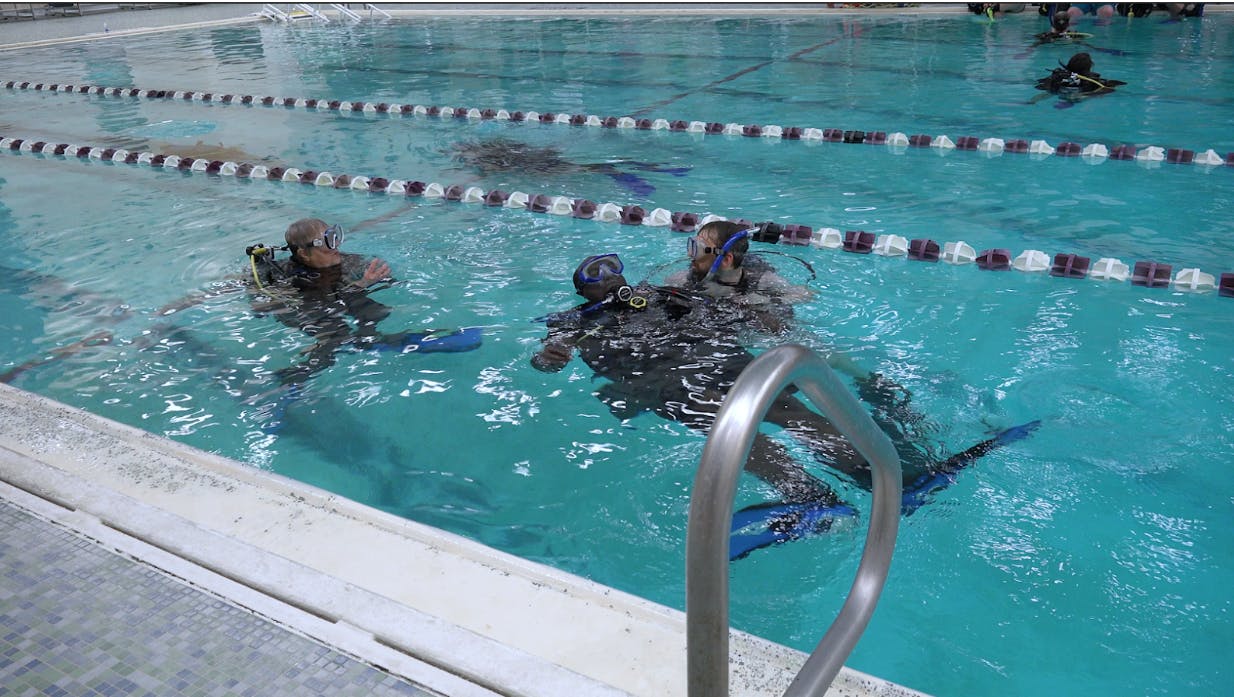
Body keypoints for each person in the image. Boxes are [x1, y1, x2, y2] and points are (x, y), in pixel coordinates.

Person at [532, 254, 1040, 559]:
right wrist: (554, 353)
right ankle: (809, 495)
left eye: (614, 267)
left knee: (794, 414)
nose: (612, 276)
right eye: (598, 274)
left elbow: (718, 311)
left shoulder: (659, 294)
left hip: (718, 359)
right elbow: (546, 361)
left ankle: (884, 476)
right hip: (664, 383)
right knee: (741, 437)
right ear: (584, 290)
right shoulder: (570, 321)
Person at [1033, 52, 1125, 99]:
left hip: (1058, 89)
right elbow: (1112, 87)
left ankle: (1033, 101)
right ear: (1088, 68)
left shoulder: (1060, 76)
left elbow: (1041, 84)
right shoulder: (1091, 81)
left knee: (1050, 93)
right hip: (1079, 93)